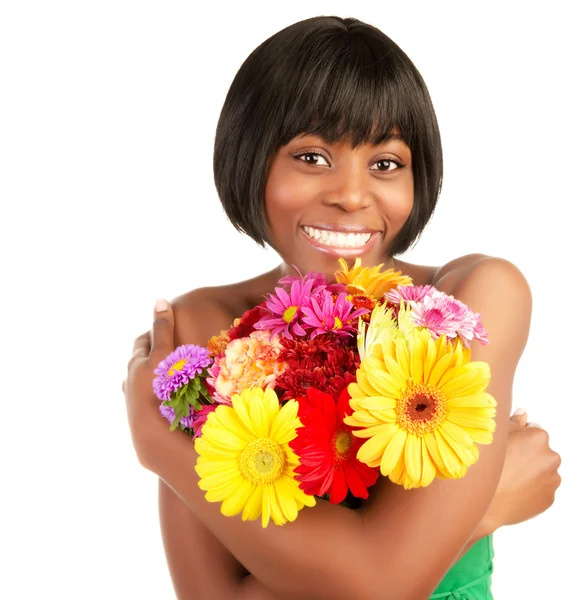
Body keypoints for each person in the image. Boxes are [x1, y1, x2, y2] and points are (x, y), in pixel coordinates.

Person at [122, 16, 562, 599]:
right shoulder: (204, 326)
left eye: (385, 163)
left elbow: (377, 584)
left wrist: (160, 444)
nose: (352, 195)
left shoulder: (475, 299)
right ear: (249, 160)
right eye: (312, 157)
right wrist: (478, 512)